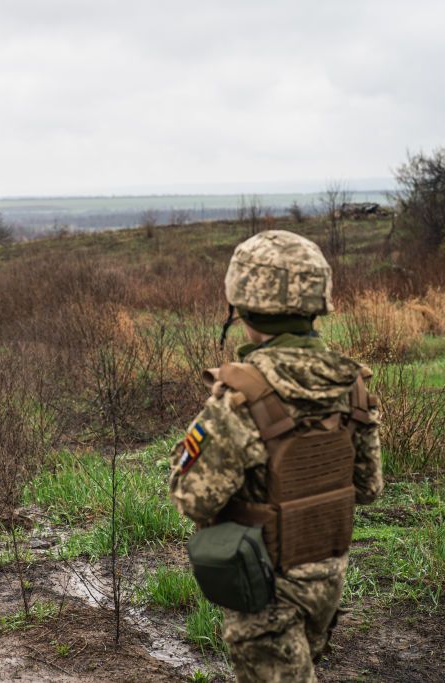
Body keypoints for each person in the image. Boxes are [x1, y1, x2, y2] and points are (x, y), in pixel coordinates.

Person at [169, 230, 383, 682]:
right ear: (316, 301)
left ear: (242, 307)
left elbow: (192, 498)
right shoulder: (352, 383)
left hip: (264, 589)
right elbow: (368, 487)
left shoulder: (240, 398)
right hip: (327, 578)